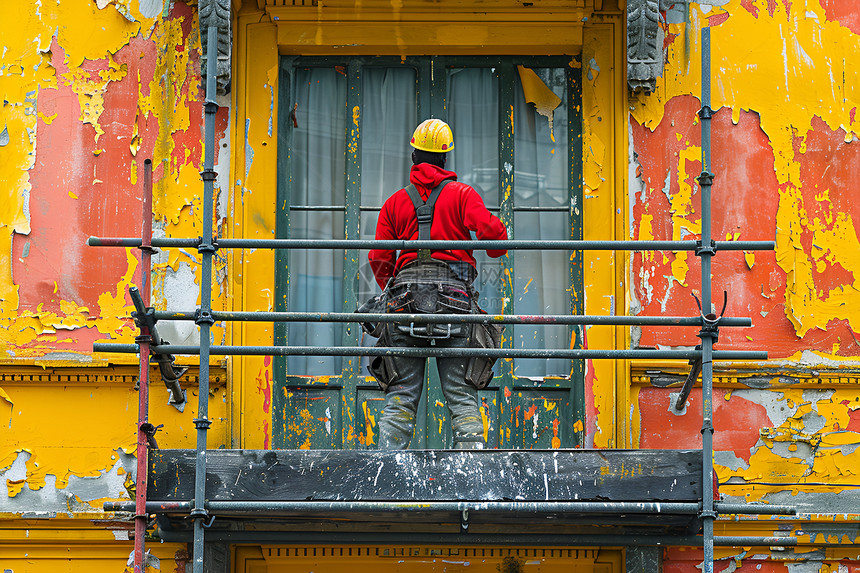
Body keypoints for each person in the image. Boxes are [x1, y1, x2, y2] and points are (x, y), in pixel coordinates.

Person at [368, 119, 508, 449]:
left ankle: (385, 481)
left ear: (414, 156)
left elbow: (378, 258)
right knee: (462, 401)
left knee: (400, 402)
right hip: (455, 305)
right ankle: (470, 480)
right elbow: (497, 241)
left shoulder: (394, 203)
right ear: (445, 160)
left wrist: (399, 286)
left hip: (405, 306)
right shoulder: (462, 196)